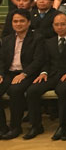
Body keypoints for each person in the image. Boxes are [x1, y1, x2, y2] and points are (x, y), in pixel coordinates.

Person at [23, 13, 66, 140]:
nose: (60, 27)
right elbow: (45, 61)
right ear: (53, 26)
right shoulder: (48, 42)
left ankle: (63, 126)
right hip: (51, 75)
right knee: (32, 90)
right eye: (57, 24)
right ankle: (36, 125)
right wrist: (43, 73)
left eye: (63, 24)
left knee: (62, 91)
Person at [0, 10, 44, 139]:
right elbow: (1, 59)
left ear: (28, 22)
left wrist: (24, 74)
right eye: (15, 21)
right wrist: (1, 74)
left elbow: (38, 60)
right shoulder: (7, 39)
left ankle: (15, 127)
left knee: (15, 91)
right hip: (9, 73)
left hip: (28, 73)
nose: (18, 24)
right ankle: (2, 127)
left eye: (21, 21)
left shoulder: (37, 38)